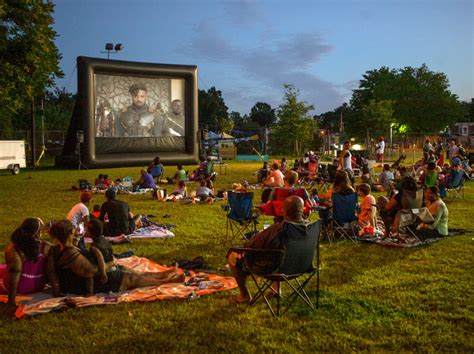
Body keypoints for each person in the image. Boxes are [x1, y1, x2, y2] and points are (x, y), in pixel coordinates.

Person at [47, 220, 184, 296]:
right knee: (130, 278)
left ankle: (162, 274)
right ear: (70, 232)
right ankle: (165, 281)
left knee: (129, 270)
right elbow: (91, 271)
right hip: (91, 283)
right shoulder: (69, 253)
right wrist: (111, 263)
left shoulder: (60, 248)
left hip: (88, 279)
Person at [227, 195, 307, 303]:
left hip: (274, 269)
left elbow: (251, 245)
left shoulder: (279, 228)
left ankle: (244, 295)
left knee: (233, 254)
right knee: (277, 252)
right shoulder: (309, 227)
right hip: (300, 266)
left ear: (284, 211)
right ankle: (276, 289)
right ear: (302, 210)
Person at [3, 218, 51, 314]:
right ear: (37, 233)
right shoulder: (46, 246)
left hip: (20, 287)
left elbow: (15, 273)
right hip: (38, 285)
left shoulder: (14, 248)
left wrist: (11, 302)